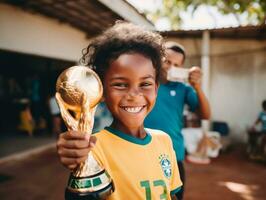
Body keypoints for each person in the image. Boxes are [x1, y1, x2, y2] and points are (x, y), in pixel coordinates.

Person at [56, 22, 182, 200]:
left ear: (156, 88)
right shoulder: (92, 147)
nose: (134, 95)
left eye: (145, 84)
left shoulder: (164, 141)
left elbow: (170, 194)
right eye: (120, 84)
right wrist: (76, 157)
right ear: (101, 92)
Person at [144, 41, 211, 199]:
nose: (170, 67)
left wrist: (197, 87)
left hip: (173, 156)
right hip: (142, 151)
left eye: (176, 64)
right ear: (157, 59)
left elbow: (206, 115)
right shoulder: (144, 83)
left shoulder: (183, 88)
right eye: (167, 61)